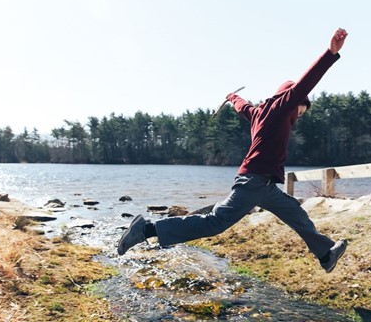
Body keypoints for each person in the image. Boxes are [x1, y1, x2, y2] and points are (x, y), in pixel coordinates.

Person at [118, 28, 350, 273]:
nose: (297, 117)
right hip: (253, 181)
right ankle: (147, 229)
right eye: (299, 111)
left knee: (295, 213)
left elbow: (244, 107)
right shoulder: (282, 106)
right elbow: (306, 81)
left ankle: (325, 254)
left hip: (265, 185)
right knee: (215, 222)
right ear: (290, 99)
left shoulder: (260, 113)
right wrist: (330, 53)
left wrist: (231, 97)